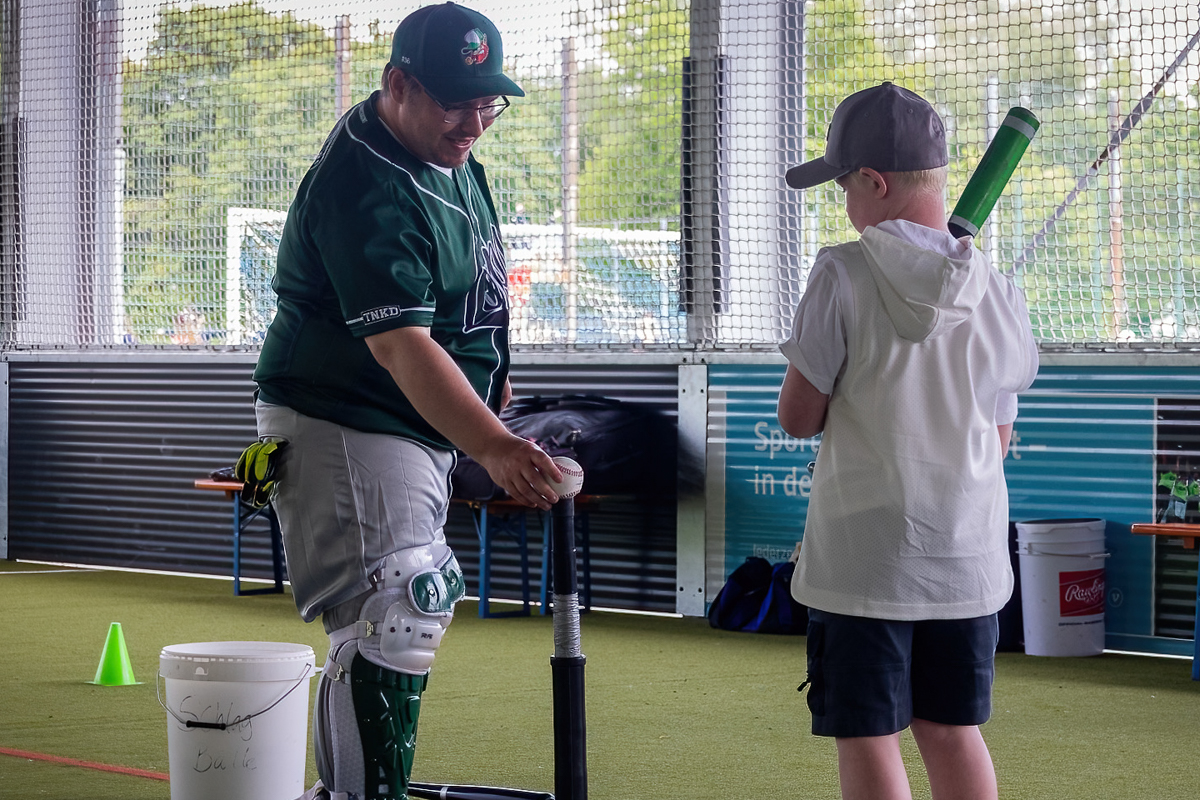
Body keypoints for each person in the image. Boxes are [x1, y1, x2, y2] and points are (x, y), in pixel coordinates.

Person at [251, 4, 564, 799]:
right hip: (346, 414)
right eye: (457, 101)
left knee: (399, 610)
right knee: (394, 609)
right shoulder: (365, 178)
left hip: (407, 422)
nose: (475, 122)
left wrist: (495, 389)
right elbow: (400, 343)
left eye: (489, 103)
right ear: (399, 84)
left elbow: (469, 295)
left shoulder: (446, 157)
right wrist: (494, 443)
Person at [776, 82, 1039, 800]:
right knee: (951, 730)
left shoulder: (842, 271)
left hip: (865, 561)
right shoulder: (998, 291)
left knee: (868, 733)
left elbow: (797, 417)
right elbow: (1000, 432)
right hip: (967, 554)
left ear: (874, 182)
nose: (844, 205)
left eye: (843, 186)